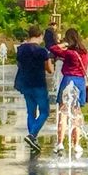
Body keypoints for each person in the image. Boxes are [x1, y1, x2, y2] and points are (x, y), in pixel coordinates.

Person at [12, 24, 52, 152]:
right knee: (45, 111)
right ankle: (32, 135)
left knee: (31, 111)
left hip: (25, 83)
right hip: (38, 83)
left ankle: (32, 140)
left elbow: (19, 64)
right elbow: (50, 69)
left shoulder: (21, 49)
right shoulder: (42, 51)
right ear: (40, 35)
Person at [50, 27, 88, 129]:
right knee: (77, 111)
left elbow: (53, 48)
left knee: (63, 111)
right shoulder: (85, 53)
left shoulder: (69, 53)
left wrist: (65, 44)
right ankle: (76, 138)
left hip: (68, 80)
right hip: (80, 81)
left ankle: (61, 139)